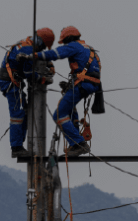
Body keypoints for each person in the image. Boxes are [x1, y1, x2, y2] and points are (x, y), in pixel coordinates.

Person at [21, 26, 102, 157]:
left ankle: (78, 144)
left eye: (65, 41)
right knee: (69, 110)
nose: (65, 44)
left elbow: (55, 54)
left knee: (59, 115)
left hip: (83, 84)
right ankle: (75, 144)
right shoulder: (89, 48)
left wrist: (33, 56)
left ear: (69, 38)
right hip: (89, 85)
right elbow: (90, 70)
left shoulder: (74, 46)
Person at [0, 28, 55, 158]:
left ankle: (19, 144)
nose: (43, 48)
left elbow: (37, 56)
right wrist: (43, 79)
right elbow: (29, 74)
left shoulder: (27, 43)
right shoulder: (28, 50)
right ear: (40, 41)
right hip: (10, 83)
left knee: (25, 112)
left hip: (12, 81)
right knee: (17, 116)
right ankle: (17, 147)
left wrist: (48, 63)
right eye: (44, 45)